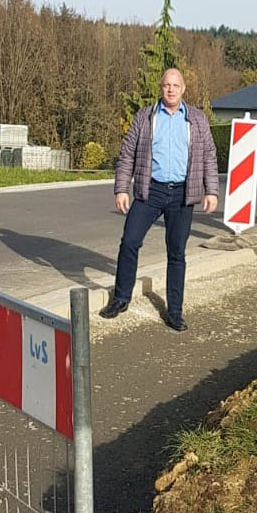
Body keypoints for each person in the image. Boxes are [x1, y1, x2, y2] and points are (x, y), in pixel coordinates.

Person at [99, 68, 219, 331]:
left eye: (175, 85)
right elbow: (127, 152)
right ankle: (121, 298)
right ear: (161, 87)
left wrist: (212, 191)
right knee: (129, 241)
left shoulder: (197, 119)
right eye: (166, 85)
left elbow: (209, 156)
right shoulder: (146, 117)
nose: (171, 89)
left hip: (182, 195)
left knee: (176, 253)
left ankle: (174, 311)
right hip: (149, 190)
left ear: (184, 88)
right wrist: (121, 188)